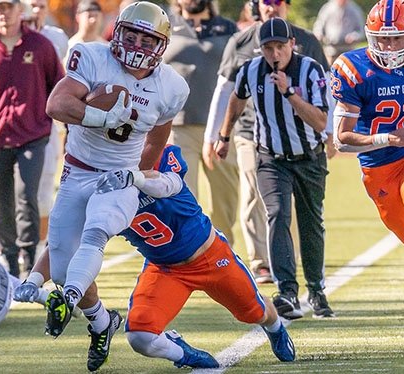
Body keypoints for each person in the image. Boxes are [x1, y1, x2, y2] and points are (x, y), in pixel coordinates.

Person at [15, 144, 296, 368]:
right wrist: (34, 279)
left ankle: (274, 328)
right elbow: (62, 245)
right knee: (140, 336)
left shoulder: (158, 156)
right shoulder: (94, 188)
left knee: (255, 312)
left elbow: (169, 183)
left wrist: (134, 177)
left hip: (209, 255)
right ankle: (182, 353)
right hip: (164, 269)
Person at [41, 1, 189, 370]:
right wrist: (102, 117)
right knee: (60, 269)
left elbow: (158, 139)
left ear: (161, 45)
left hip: (120, 175)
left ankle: (72, 296)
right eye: (132, 34)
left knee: (96, 233)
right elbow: (56, 104)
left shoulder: (172, 86)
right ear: (119, 31)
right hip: (77, 170)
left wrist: (135, 179)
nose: (137, 45)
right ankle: (102, 321)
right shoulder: (91, 56)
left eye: (147, 38)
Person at [330, 0, 404, 336]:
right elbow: (341, 139)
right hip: (376, 169)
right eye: (383, 39)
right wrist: (386, 138)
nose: (388, 45)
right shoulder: (355, 69)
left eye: (397, 38)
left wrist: (402, 141)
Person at [204, 0, 334, 285]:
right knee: (264, 203)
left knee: (305, 215)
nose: (274, 54)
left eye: (277, 2)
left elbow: (327, 92)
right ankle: (265, 265)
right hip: (255, 136)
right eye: (265, 2)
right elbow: (228, 91)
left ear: (292, 42)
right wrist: (217, 136)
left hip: (304, 141)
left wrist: (331, 133)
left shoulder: (309, 49)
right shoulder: (241, 44)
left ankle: (304, 272)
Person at [0, 0, 64, 277]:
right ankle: (7, 260)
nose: (4, 13)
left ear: (21, 11)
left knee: (26, 195)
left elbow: (59, 83)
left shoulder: (40, 46)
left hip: (34, 134)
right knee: (2, 200)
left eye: (9, 7)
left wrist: (60, 118)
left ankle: (29, 260)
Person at [161, 0, 239, 243]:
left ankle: (222, 251)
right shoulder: (164, 26)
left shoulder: (228, 29)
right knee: (183, 195)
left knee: (225, 198)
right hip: (177, 126)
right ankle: (190, 254)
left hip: (221, 128)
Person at [312, 0, 365, 65]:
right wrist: (319, 34)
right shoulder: (327, 8)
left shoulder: (355, 10)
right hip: (331, 49)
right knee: (328, 70)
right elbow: (319, 25)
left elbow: (361, 31)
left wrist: (354, 36)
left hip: (348, 50)